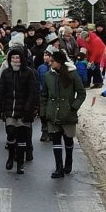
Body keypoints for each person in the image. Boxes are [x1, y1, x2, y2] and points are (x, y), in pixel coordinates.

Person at [0, 48, 39, 175]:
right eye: (13, 58)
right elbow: (1, 92)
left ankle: (20, 164)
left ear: (22, 59)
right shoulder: (6, 73)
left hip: (24, 111)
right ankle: (10, 156)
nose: (15, 60)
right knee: (11, 133)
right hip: (9, 110)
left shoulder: (28, 73)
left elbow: (33, 92)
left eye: (17, 58)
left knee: (22, 138)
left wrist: (29, 109)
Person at [43, 50, 86, 179]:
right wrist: (44, 111)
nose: (50, 63)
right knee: (56, 140)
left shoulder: (72, 74)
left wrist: (73, 107)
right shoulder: (47, 76)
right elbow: (44, 95)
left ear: (59, 62)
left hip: (68, 113)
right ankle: (58, 168)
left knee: (68, 140)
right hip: (53, 114)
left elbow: (81, 93)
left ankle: (68, 161)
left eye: (53, 61)